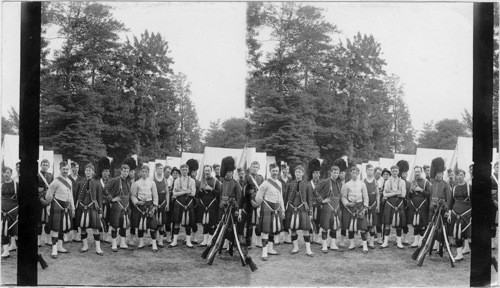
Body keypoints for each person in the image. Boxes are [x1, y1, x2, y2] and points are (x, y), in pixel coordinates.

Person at [255, 163, 285, 261]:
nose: (275, 173)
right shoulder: (265, 183)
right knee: (266, 230)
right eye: (273, 171)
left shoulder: (280, 183)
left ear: (278, 171)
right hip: (267, 207)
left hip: (277, 208)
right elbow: (258, 196)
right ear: (270, 171)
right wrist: (260, 207)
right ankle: (264, 252)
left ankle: (270, 249)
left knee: (273, 229)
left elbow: (281, 198)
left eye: (276, 171)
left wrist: (283, 209)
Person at [45, 162, 75, 259]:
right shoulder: (55, 181)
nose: (65, 171)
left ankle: (60, 246)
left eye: (67, 169)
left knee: (63, 227)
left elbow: (71, 196)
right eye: (63, 169)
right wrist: (50, 204)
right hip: (57, 206)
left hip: (67, 207)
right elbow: (48, 196)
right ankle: (54, 249)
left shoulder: (70, 181)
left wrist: (73, 208)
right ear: (60, 169)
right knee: (55, 227)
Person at [284, 165, 314, 257]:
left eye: (300, 172)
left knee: (305, 229)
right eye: (296, 172)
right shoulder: (290, 184)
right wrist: (284, 210)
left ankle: (308, 250)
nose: (298, 173)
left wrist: (310, 213)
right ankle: (295, 247)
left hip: (303, 209)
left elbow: (309, 199)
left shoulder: (307, 185)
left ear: (303, 173)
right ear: (294, 173)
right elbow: (286, 198)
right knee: (292, 229)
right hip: (291, 209)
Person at [75, 164, 104, 255]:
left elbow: (99, 198)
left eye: (90, 170)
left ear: (93, 172)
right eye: (86, 170)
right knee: (82, 227)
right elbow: (76, 196)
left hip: (93, 208)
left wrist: (100, 211)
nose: (88, 172)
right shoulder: (80, 182)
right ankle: (85, 245)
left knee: (95, 228)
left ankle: (98, 248)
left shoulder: (97, 183)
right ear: (84, 171)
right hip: (81, 208)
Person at [341, 167, 370, 253]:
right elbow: (343, 197)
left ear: (358, 174)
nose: (354, 174)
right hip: (350, 207)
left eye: (356, 173)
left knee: (363, 227)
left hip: (360, 206)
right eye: (353, 172)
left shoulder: (362, 184)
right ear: (350, 173)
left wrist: (365, 207)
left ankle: (364, 245)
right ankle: (352, 244)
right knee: (351, 226)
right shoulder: (346, 184)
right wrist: (347, 203)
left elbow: (366, 196)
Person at [130, 165, 159, 252]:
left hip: (150, 205)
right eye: (143, 171)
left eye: (146, 171)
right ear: (140, 172)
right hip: (139, 206)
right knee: (140, 224)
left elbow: (155, 195)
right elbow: (133, 196)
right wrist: (137, 202)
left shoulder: (152, 183)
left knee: (152, 225)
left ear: (148, 172)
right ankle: (141, 242)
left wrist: (154, 206)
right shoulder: (136, 183)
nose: (144, 173)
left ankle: (154, 244)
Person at [105, 163, 132, 252]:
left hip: (126, 206)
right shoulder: (115, 180)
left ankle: (122, 243)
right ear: (121, 171)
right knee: (115, 225)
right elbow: (105, 189)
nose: (126, 173)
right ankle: (114, 244)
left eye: (127, 171)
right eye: (124, 171)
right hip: (117, 205)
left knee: (123, 225)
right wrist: (112, 199)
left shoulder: (128, 181)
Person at [218, 156, 243, 253]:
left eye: (230, 172)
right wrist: (221, 203)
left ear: (233, 173)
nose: (229, 174)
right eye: (227, 172)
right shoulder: (223, 183)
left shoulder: (236, 184)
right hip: (223, 208)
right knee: (223, 225)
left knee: (230, 227)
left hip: (232, 208)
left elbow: (239, 198)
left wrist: (237, 209)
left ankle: (230, 244)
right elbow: (221, 195)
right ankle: (223, 242)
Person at [380, 165, 406, 249]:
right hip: (389, 204)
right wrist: (395, 192)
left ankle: (399, 243)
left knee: (399, 224)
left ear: (398, 172)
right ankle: (385, 242)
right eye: (393, 171)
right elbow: (385, 194)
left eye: (396, 171)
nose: (395, 172)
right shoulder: (387, 182)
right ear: (390, 172)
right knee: (387, 223)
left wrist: (391, 192)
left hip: (399, 204)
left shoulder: (402, 182)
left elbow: (403, 194)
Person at [317, 165, 342, 252]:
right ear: (331, 172)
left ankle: (333, 244)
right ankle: (324, 245)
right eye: (334, 172)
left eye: (337, 173)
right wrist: (322, 201)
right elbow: (315, 191)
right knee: (325, 226)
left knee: (334, 226)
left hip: (336, 206)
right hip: (327, 206)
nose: (336, 174)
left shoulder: (339, 182)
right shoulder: (326, 181)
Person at [428, 157, 452, 251]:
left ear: (442, 174)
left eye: (440, 173)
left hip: (442, 208)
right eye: (437, 173)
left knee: (440, 227)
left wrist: (446, 209)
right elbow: (431, 196)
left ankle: (439, 244)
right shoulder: (433, 184)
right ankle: (433, 243)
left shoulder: (446, 184)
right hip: (433, 208)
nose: (438, 175)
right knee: (433, 225)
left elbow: (449, 199)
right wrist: (431, 205)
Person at [447, 169, 471, 261]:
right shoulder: (454, 188)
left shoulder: (470, 187)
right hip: (454, 214)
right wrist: (449, 214)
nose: (459, 177)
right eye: (458, 175)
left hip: (466, 215)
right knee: (456, 234)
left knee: (465, 234)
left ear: (464, 176)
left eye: (461, 175)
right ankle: (459, 254)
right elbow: (450, 203)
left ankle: (467, 249)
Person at [170, 164, 196, 248]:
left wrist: (180, 191)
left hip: (188, 203)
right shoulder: (177, 181)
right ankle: (174, 241)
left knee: (188, 223)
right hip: (179, 203)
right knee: (176, 222)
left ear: (188, 170)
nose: (184, 171)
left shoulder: (192, 180)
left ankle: (188, 241)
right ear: (180, 171)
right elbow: (174, 193)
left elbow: (193, 193)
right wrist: (185, 191)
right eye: (183, 169)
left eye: (186, 169)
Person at [407, 166, 431, 248]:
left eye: (418, 171)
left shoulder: (426, 182)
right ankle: (415, 241)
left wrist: (420, 190)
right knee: (415, 224)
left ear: (421, 172)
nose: (417, 173)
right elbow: (409, 196)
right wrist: (410, 191)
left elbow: (429, 194)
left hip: (422, 205)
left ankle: (421, 241)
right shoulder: (412, 182)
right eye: (415, 172)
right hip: (414, 205)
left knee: (422, 224)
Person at [243, 161, 265, 249]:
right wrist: (251, 201)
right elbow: (245, 191)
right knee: (250, 223)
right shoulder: (247, 177)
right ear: (250, 167)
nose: (255, 168)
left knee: (259, 222)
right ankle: (248, 242)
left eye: (257, 167)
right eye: (253, 166)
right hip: (249, 203)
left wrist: (259, 202)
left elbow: (263, 190)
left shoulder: (261, 178)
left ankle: (258, 241)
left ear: (259, 168)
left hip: (259, 203)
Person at [198, 165, 221, 246]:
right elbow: (199, 195)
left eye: (208, 170)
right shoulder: (202, 181)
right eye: (205, 170)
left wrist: (210, 189)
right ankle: (205, 240)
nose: (207, 172)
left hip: (213, 204)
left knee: (212, 223)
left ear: (211, 171)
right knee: (204, 223)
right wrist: (200, 190)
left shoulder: (216, 181)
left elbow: (219, 193)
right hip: (204, 205)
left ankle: (210, 241)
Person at [1, 167, 19, 258]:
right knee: (3, 231)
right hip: (3, 212)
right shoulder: (1, 185)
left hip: (14, 212)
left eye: (8, 172)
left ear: (11, 173)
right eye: (4, 173)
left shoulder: (16, 185)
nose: (6, 174)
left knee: (16, 231)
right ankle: (6, 251)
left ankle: (17, 248)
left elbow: (21, 200)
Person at [37, 159, 54, 247]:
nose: (45, 166)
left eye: (46, 165)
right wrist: (40, 199)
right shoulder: (36, 175)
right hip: (39, 201)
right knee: (38, 221)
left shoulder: (50, 176)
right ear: (40, 165)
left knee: (48, 221)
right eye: (43, 164)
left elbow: (53, 189)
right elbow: (34, 188)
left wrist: (49, 200)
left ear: (49, 166)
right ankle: (38, 240)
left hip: (48, 200)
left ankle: (48, 239)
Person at [153, 163, 169, 248]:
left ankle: (160, 241)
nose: (160, 170)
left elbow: (167, 193)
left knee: (162, 223)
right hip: (155, 203)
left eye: (161, 168)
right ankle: (154, 240)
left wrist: (167, 204)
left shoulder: (165, 180)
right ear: (156, 169)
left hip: (163, 202)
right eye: (158, 168)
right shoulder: (152, 180)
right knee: (154, 223)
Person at [363, 164, 379, 249]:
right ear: (366, 171)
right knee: (365, 224)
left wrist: (378, 205)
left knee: (372, 224)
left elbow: (377, 194)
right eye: (369, 169)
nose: (370, 171)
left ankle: (371, 242)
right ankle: (364, 241)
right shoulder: (363, 181)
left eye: (372, 170)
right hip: (365, 205)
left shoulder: (375, 182)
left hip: (373, 205)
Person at [97, 157, 112, 244]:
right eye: (103, 171)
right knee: (99, 220)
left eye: (107, 171)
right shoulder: (97, 181)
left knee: (107, 220)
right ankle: (99, 235)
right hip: (100, 203)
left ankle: (106, 236)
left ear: (109, 172)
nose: (105, 173)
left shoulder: (112, 181)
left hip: (108, 204)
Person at [308, 159, 323, 245]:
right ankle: (310, 237)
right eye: (314, 173)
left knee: (317, 222)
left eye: (317, 172)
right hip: (310, 205)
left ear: (319, 174)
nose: (316, 174)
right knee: (310, 221)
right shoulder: (308, 183)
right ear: (312, 174)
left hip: (318, 205)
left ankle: (317, 237)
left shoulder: (322, 183)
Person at [396, 160, 411, 245]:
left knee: (405, 222)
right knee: (398, 221)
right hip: (399, 204)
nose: (405, 174)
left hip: (407, 204)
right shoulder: (397, 182)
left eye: (406, 172)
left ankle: (405, 238)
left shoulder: (409, 183)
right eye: (404, 172)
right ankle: (398, 238)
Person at [69, 161, 83, 242]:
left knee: (77, 218)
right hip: (69, 200)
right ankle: (65, 235)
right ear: (71, 169)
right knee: (67, 217)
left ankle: (75, 234)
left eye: (77, 168)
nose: (75, 169)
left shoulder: (81, 179)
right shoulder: (67, 178)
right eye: (74, 168)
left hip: (78, 201)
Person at [187, 159, 201, 245]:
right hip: (188, 202)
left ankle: (194, 237)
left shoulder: (198, 182)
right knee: (188, 220)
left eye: (195, 171)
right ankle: (187, 237)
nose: (194, 173)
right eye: (192, 171)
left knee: (195, 221)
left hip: (196, 203)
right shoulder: (187, 181)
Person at [376, 168, 390, 244]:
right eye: (384, 174)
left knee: (386, 221)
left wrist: (385, 196)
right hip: (380, 203)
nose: (385, 176)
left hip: (388, 203)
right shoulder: (379, 182)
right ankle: (379, 236)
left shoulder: (390, 183)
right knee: (379, 220)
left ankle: (385, 237)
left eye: (387, 174)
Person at [491, 161, 498, 250]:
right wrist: (494, 201)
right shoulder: (491, 178)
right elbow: (489, 191)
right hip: (493, 203)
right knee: (492, 223)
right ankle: (492, 241)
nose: (498, 169)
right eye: (497, 167)